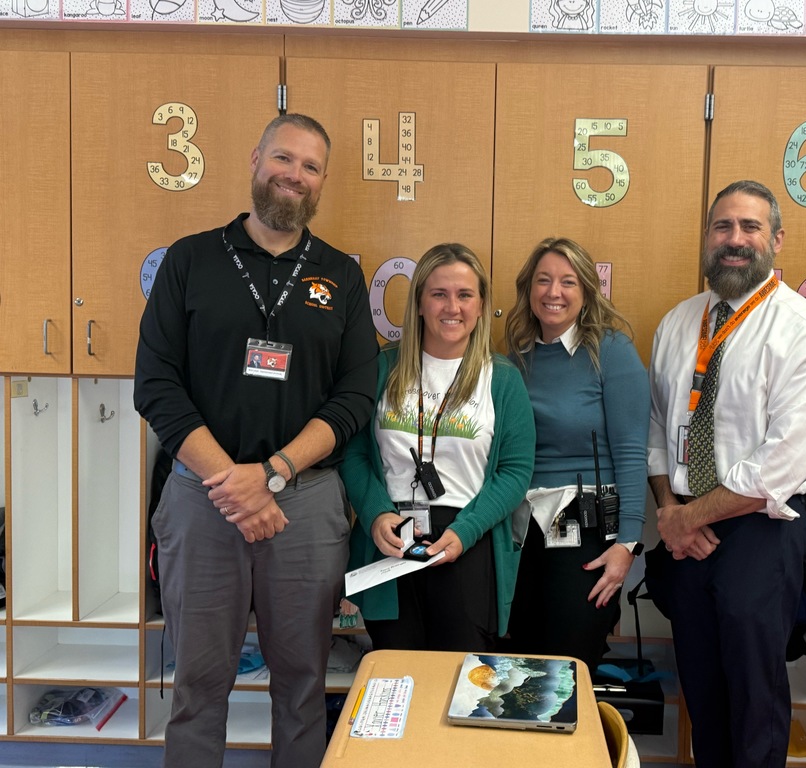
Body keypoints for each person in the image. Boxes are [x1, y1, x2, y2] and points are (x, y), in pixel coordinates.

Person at [134, 114, 378, 768]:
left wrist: (267, 475)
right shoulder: (190, 260)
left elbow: (354, 397)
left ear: (322, 181)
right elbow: (156, 386)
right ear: (255, 158)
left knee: (301, 683)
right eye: (283, 158)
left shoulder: (343, 278)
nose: (293, 175)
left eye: (310, 166)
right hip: (201, 499)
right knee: (199, 682)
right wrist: (235, 485)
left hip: (302, 504)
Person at [646, 180, 806, 768]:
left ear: (776, 240)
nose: (735, 240)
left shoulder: (805, 330)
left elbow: (781, 462)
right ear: (707, 239)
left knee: (755, 699)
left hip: (760, 530)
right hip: (684, 531)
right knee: (702, 692)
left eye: (750, 228)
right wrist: (669, 513)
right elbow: (658, 427)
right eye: (723, 227)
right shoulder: (679, 322)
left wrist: (685, 518)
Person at [342, 243, 534, 652]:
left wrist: (465, 531)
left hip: (467, 540)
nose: (453, 306)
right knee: (395, 674)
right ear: (419, 304)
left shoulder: (501, 379)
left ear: (481, 306)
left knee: (459, 685)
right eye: (439, 294)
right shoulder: (381, 369)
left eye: (465, 295)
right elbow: (355, 454)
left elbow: (515, 472)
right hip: (390, 539)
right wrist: (376, 514)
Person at [503, 237, 649, 674]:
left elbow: (630, 452)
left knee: (567, 670)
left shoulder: (611, 352)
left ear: (586, 292)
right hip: (522, 533)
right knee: (522, 670)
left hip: (585, 530)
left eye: (568, 282)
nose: (554, 292)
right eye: (543, 280)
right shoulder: (518, 358)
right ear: (528, 290)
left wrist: (628, 544)